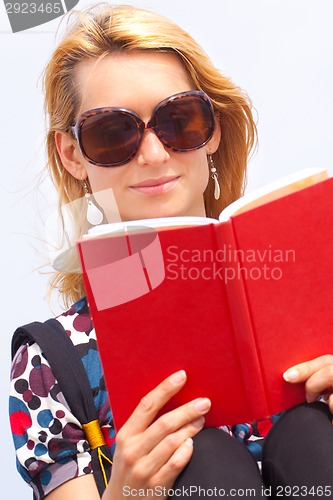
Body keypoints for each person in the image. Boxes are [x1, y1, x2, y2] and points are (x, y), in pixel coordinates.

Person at [9, 4, 333, 500]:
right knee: (202, 460)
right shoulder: (48, 364)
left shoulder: (317, 293)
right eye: (113, 132)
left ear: (213, 129)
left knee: (311, 434)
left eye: (179, 119)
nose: (154, 154)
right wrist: (128, 492)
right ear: (73, 155)